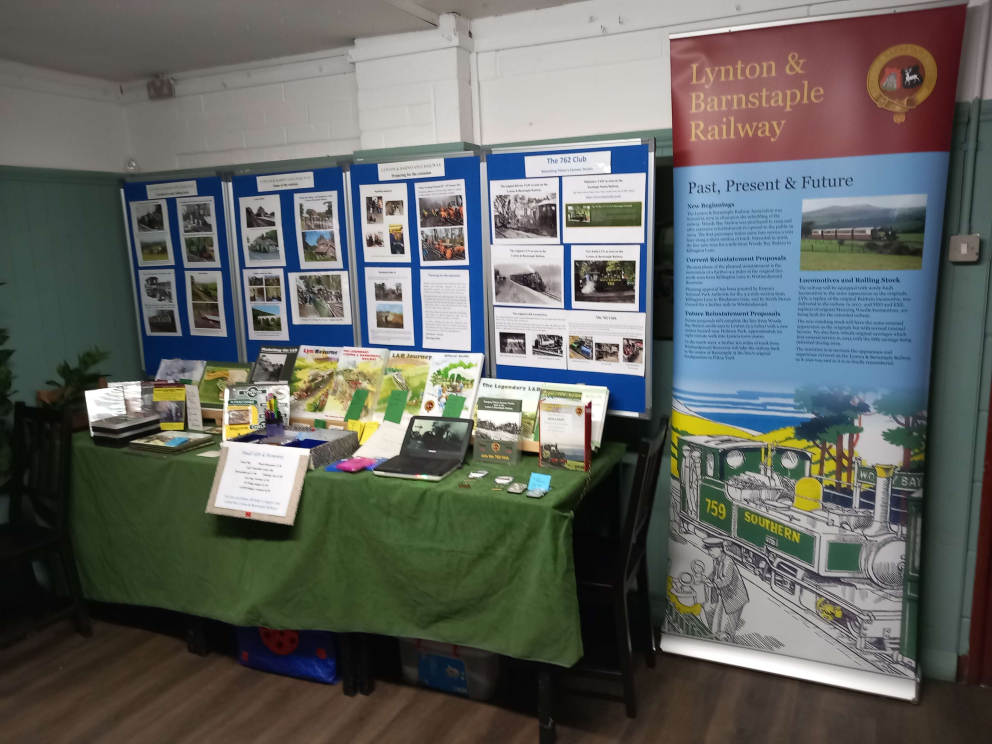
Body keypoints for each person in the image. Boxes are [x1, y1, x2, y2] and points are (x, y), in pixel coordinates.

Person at [702, 537, 748, 641]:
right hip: (724, 596)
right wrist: (707, 579)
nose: (710, 553)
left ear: (720, 549)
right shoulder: (717, 560)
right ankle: (717, 638)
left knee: (728, 627)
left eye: (711, 550)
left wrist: (713, 584)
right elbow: (714, 573)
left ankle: (727, 643)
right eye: (708, 550)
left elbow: (726, 579)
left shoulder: (728, 562)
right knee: (717, 622)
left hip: (734, 598)